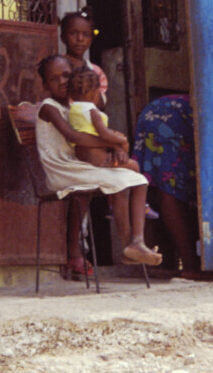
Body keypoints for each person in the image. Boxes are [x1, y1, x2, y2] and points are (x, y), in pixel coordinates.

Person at [34, 55, 160, 275]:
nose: (63, 81)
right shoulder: (49, 107)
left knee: (137, 179)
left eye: (66, 75)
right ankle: (128, 245)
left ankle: (134, 243)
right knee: (121, 181)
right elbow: (76, 138)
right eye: (54, 79)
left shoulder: (78, 108)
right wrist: (115, 141)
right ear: (45, 86)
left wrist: (116, 149)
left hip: (80, 165)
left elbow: (91, 135)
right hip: (63, 169)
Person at [133, 94, 199, 275]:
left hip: (159, 114)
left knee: (167, 185)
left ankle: (179, 261)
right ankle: (190, 265)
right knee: (170, 187)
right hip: (169, 117)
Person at [66, 66, 140, 172]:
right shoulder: (91, 110)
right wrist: (121, 139)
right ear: (95, 92)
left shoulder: (73, 109)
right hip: (98, 158)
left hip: (82, 156)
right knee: (134, 166)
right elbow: (104, 134)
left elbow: (87, 130)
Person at [59, 10, 108, 103]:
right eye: (73, 33)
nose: (80, 39)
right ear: (63, 37)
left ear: (91, 40)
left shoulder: (96, 71)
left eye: (86, 34)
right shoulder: (56, 67)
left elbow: (101, 102)